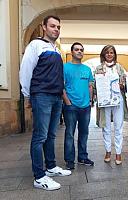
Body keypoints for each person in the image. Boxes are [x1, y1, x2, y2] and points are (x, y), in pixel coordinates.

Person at [19, 15, 71, 191]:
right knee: (40, 136)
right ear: (44, 27)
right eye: (52, 26)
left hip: (56, 97)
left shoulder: (56, 50)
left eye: (58, 27)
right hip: (41, 95)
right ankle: (39, 177)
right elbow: (26, 70)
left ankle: (50, 167)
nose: (56, 29)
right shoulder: (35, 45)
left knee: (51, 135)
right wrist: (27, 95)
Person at [94, 45, 128, 165]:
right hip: (104, 101)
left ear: (114, 54)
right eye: (107, 53)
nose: (109, 54)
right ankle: (108, 151)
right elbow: (95, 85)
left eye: (111, 53)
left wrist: (122, 85)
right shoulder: (98, 68)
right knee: (106, 127)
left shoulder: (120, 68)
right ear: (103, 54)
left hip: (117, 99)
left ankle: (118, 152)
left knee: (118, 127)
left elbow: (126, 84)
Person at [62, 42, 94, 170]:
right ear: (72, 52)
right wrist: (67, 102)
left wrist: (90, 101)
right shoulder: (65, 67)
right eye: (77, 49)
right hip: (71, 106)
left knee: (84, 133)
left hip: (85, 106)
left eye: (81, 50)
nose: (79, 51)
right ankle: (69, 160)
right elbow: (61, 86)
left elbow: (90, 85)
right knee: (70, 133)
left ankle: (82, 157)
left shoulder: (87, 69)